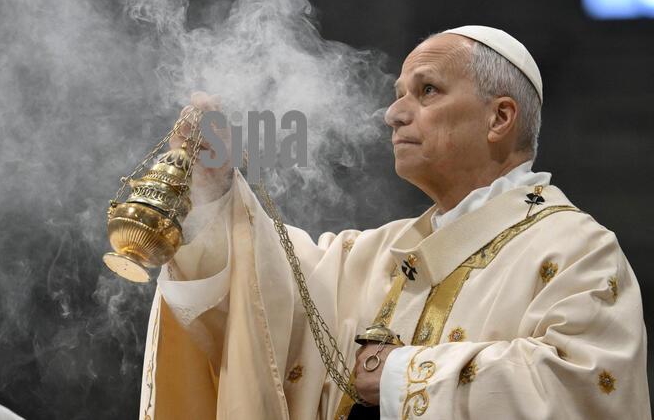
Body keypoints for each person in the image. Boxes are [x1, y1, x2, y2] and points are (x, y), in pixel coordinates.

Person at [137, 26, 650, 419]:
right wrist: (214, 195)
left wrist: (403, 377)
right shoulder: (375, 254)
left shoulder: (576, 248)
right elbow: (268, 295)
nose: (394, 114)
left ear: (499, 118)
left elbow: (585, 388)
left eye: (427, 91)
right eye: (398, 93)